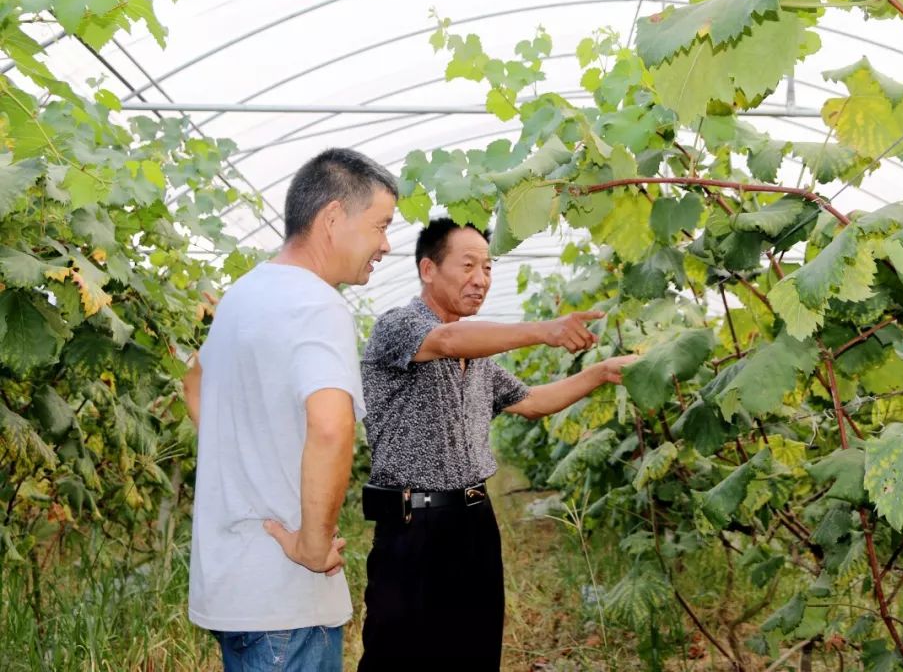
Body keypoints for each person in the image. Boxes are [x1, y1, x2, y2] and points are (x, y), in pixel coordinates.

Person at [357, 217, 637, 670]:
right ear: (428, 270)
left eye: (487, 268)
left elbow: (532, 402)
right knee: (400, 656)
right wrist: (545, 330)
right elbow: (447, 339)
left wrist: (600, 373)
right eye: (468, 265)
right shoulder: (398, 327)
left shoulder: (479, 357)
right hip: (413, 529)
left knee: (474, 649)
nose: (481, 279)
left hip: (474, 521)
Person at [182, 148, 397, 671]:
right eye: (380, 225)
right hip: (286, 602)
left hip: (234, 588)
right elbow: (331, 426)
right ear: (331, 219)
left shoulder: (242, 295)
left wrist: (247, 457)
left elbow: (193, 382)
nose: (385, 245)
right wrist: (312, 546)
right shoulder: (316, 303)